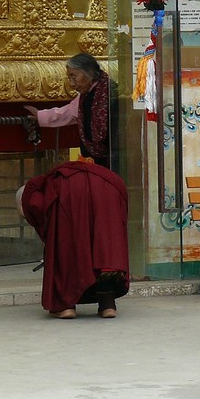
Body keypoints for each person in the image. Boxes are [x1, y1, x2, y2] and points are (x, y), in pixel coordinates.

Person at [18, 161, 129, 319]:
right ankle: (107, 306)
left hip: (72, 194)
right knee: (102, 250)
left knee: (67, 250)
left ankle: (66, 307)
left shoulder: (38, 188)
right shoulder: (60, 177)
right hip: (108, 190)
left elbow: (36, 205)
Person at [26, 53, 113, 168]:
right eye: (69, 78)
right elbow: (68, 112)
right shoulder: (84, 96)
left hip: (115, 156)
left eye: (74, 77)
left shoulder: (110, 92)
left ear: (90, 73)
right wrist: (40, 115)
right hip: (99, 159)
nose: (72, 84)